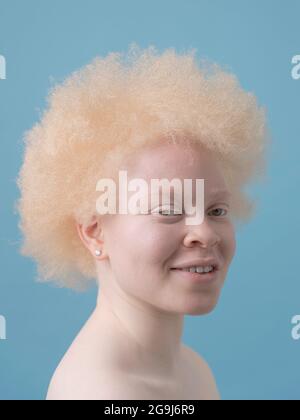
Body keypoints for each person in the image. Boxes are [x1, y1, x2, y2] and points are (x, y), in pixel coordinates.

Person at [16, 43, 269, 400]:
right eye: (168, 211)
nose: (205, 233)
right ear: (94, 232)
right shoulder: (101, 392)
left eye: (217, 211)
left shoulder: (192, 370)